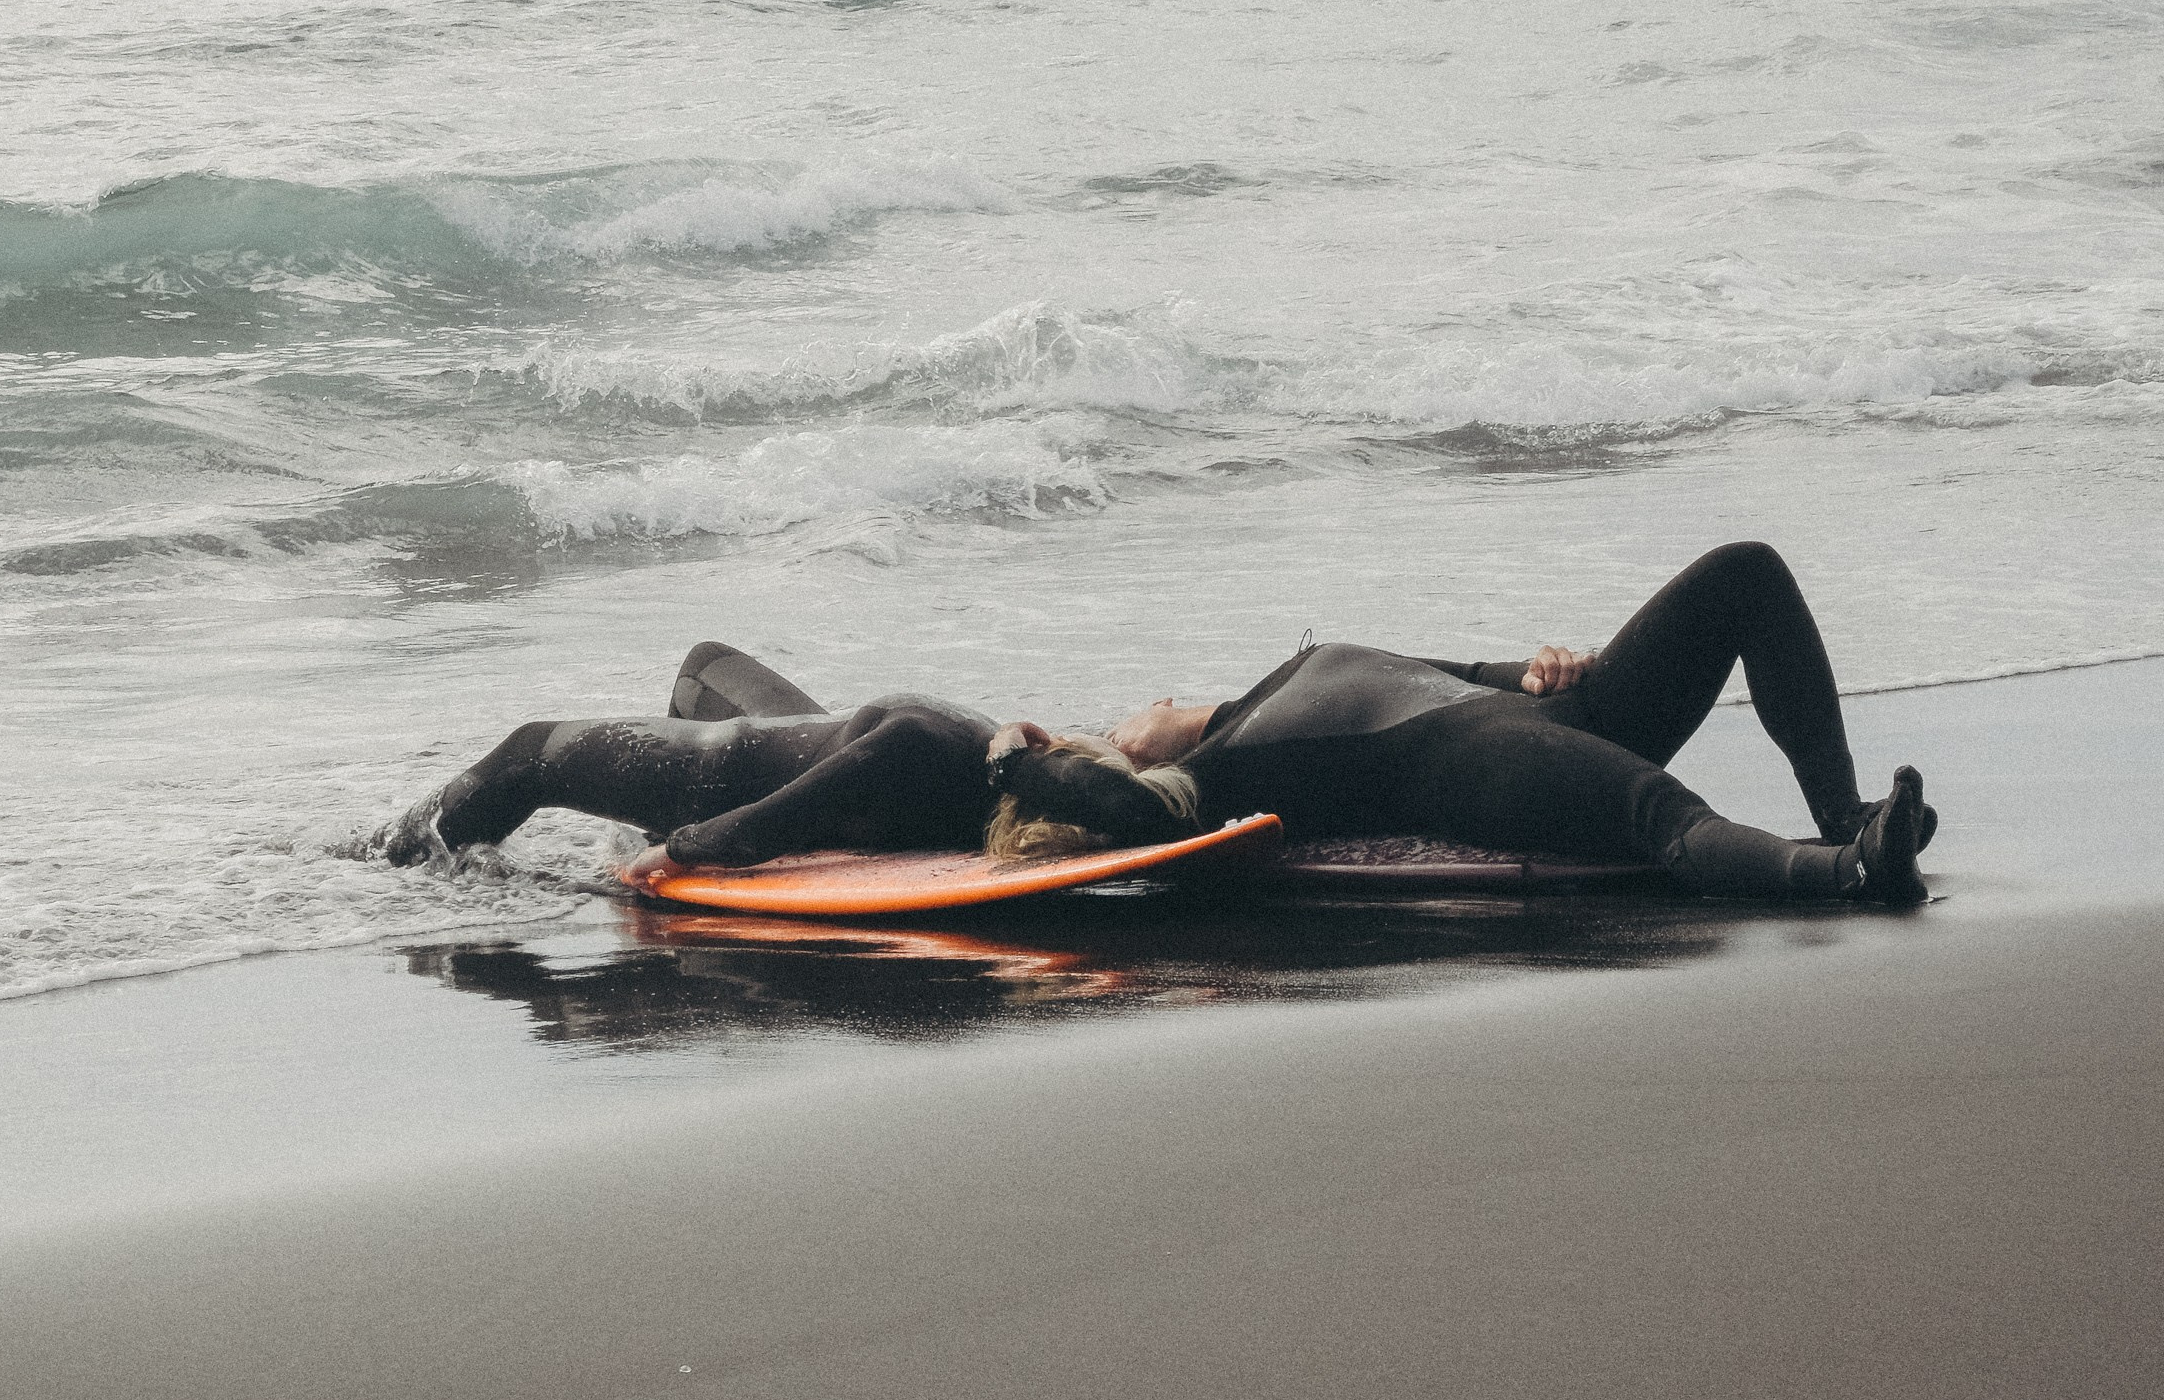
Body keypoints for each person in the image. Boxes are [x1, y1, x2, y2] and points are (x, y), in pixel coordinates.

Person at [988, 542, 1935, 904]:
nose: (1141, 704)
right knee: (1662, 818)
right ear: (1123, 758)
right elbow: (1124, 817)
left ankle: (1843, 811)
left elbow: (1425, 670)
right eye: (1112, 725)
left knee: (1746, 574)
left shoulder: (1270, 687)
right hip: (1478, 761)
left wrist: (1528, 668)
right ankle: (1856, 869)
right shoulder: (1221, 781)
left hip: (1546, 709)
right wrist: (1016, 764)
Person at [372, 643, 998, 873]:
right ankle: (649, 805)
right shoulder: (1014, 751)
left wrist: (677, 850)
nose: (1104, 730)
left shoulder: (916, 747)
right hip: (812, 737)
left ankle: (387, 859)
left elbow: (759, 829)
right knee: (704, 665)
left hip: (727, 779)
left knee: (532, 751)